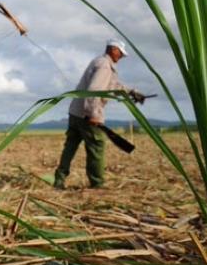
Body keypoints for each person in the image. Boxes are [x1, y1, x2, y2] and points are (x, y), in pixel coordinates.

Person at [53, 39, 146, 189]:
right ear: (113, 50)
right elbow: (94, 90)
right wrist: (94, 114)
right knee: (97, 145)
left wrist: (132, 92)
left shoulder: (100, 62)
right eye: (121, 53)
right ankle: (97, 184)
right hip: (87, 113)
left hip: (76, 112)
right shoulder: (105, 66)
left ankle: (59, 180)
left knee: (70, 146)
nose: (121, 57)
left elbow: (113, 85)